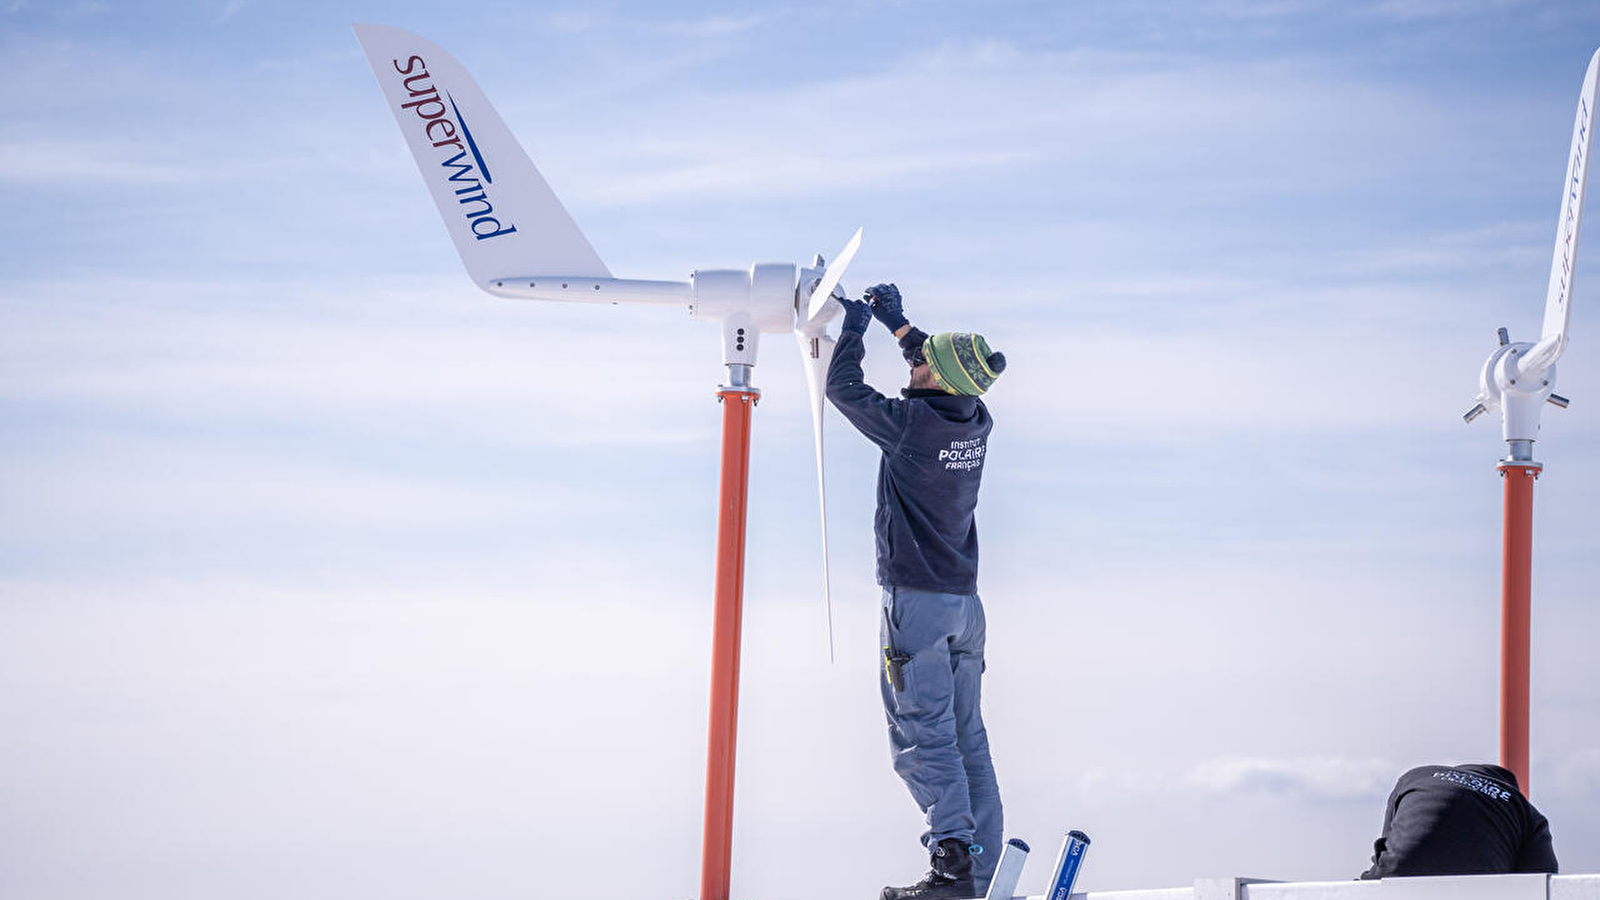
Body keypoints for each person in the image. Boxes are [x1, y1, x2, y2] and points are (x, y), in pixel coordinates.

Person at [825, 283, 1008, 900]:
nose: (916, 357)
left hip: (918, 605)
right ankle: (979, 874)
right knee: (967, 738)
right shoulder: (974, 418)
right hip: (964, 604)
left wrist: (852, 329)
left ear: (937, 378)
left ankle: (951, 867)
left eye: (922, 358)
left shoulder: (911, 427)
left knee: (922, 736)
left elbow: (842, 390)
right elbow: (937, 365)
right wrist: (897, 323)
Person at [1359, 763, 1558, 879]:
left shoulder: (1414, 777)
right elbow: (1540, 880)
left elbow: (1386, 844)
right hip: (1481, 885)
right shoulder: (1523, 808)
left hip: (1397, 872)